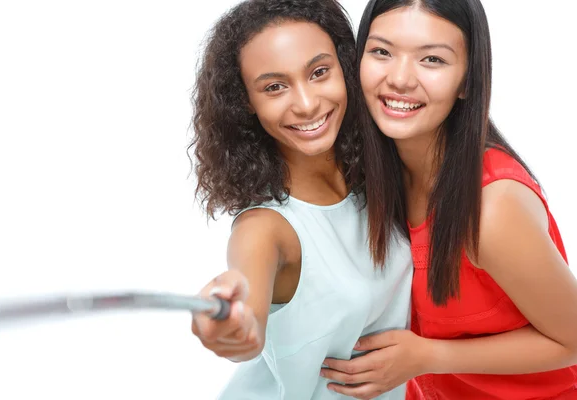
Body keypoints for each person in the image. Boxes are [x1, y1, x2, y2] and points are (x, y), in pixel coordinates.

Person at [320, 1, 577, 399]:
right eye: (382, 52)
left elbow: (573, 341)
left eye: (433, 59)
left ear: (467, 81)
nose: (400, 79)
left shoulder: (492, 209)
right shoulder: (372, 171)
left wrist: (427, 356)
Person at [187, 0, 413, 398]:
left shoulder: (382, 173)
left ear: (346, 66)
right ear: (246, 103)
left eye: (319, 72)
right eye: (274, 87)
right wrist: (227, 325)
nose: (307, 104)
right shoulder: (264, 228)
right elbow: (247, 325)